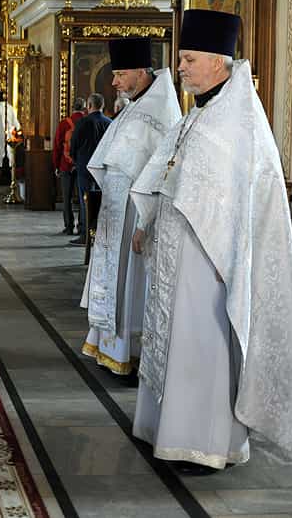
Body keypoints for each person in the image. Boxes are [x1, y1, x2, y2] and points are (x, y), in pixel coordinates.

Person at [130, 9, 292, 472]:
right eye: (181, 59)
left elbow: (243, 203)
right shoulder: (199, 115)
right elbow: (169, 175)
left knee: (204, 347)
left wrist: (228, 256)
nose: (181, 68)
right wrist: (149, 222)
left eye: (190, 59)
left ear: (218, 61)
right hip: (180, 254)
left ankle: (207, 443)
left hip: (211, 261)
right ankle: (168, 431)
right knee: (177, 344)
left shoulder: (237, 124)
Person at [79, 38, 181, 377]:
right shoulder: (135, 105)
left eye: (120, 74)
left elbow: (163, 172)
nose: (114, 82)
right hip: (115, 209)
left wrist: (146, 222)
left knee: (132, 282)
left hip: (137, 211)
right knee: (115, 278)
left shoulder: (160, 109)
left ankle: (131, 351)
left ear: (141, 71)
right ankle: (109, 345)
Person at [69, 93, 112, 246]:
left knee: (85, 202)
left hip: (85, 168)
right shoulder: (109, 123)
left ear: (89, 106)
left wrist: (75, 159)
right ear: (102, 106)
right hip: (103, 169)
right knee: (102, 202)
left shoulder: (83, 122)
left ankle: (86, 235)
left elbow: (73, 144)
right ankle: (100, 235)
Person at [53, 97, 86, 234]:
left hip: (65, 164)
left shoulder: (64, 124)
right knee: (82, 198)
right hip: (82, 165)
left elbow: (57, 146)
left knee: (67, 198)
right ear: (84, 107)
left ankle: (68, 226)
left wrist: (56, 165)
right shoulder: (87, 122)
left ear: (72, 107)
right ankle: (82, 227)